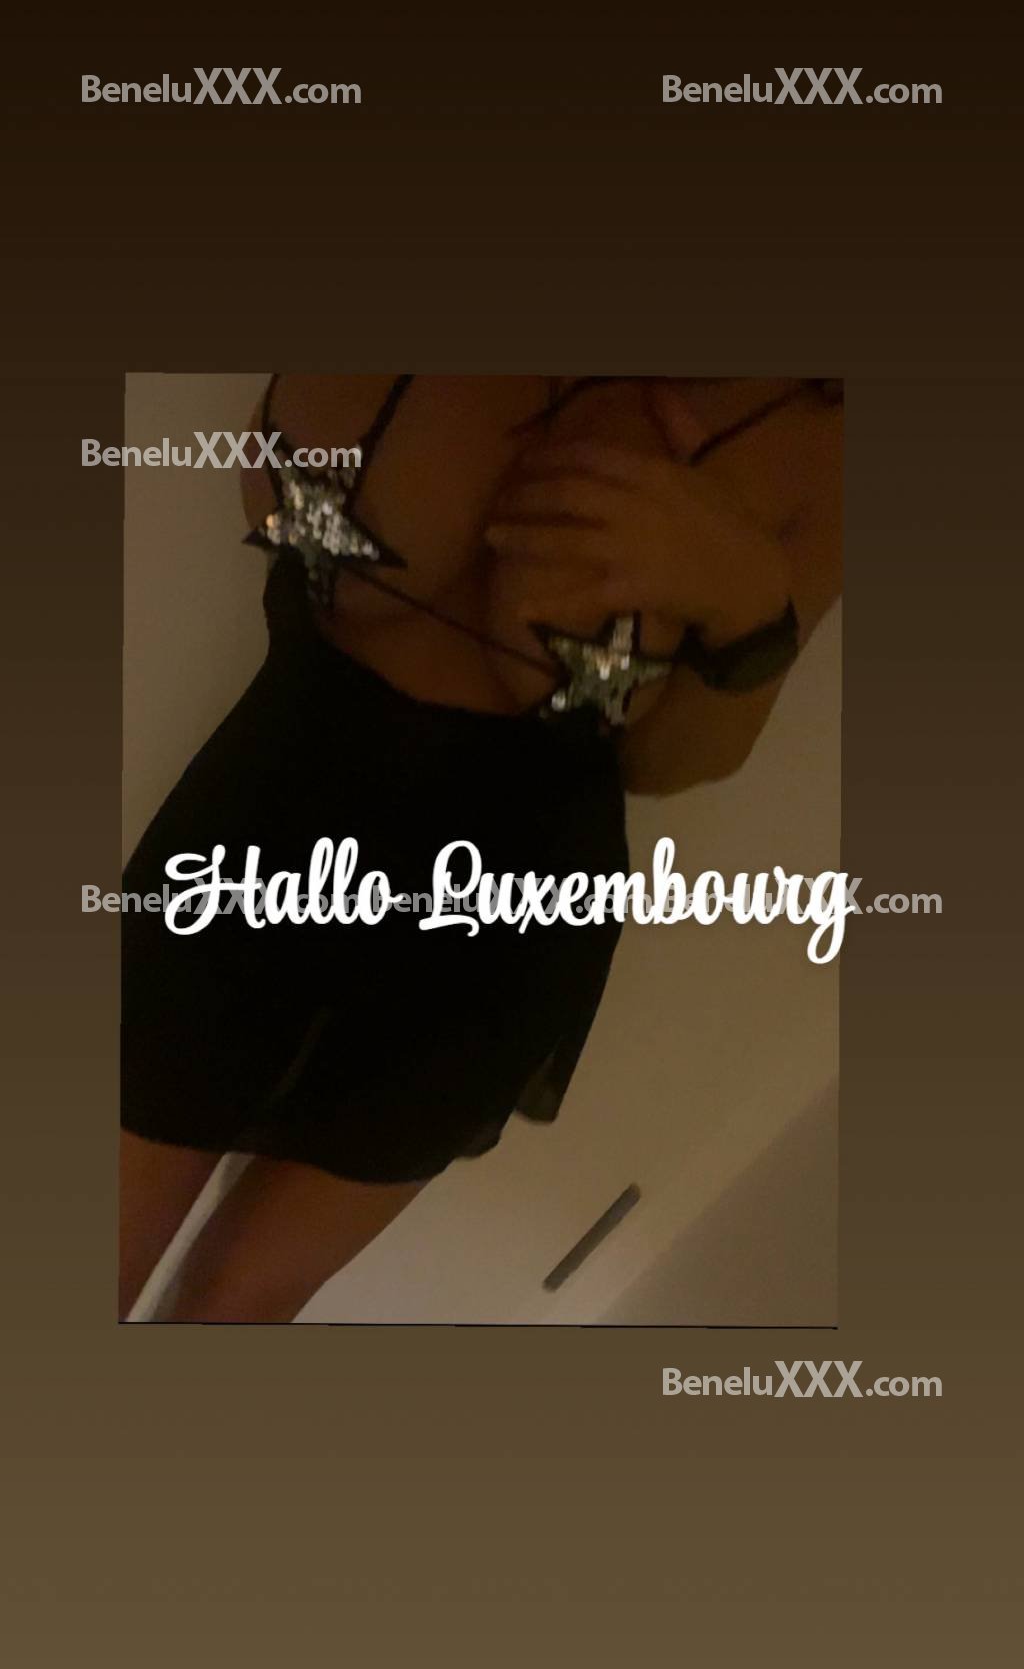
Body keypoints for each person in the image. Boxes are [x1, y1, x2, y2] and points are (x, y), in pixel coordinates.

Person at [120, 374, 843, 1322]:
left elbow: (670, 762)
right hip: (254, 843)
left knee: (236, 1307)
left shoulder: (823, 437)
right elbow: (267, 488)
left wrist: (747, 606)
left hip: (497, 938)